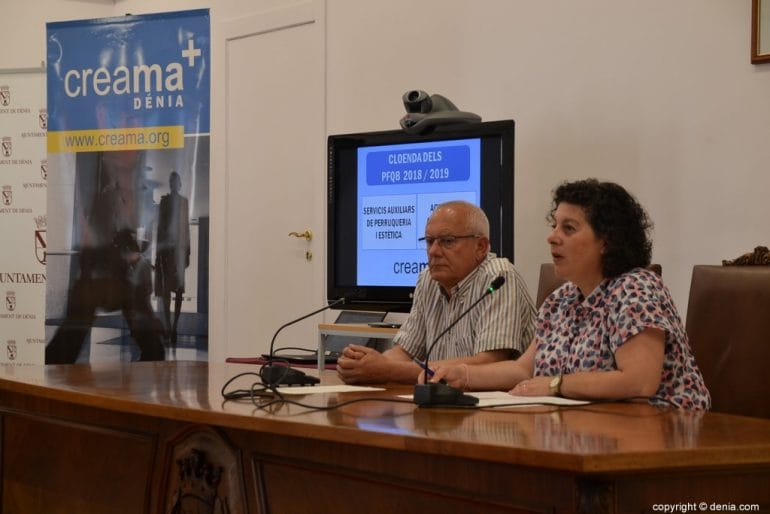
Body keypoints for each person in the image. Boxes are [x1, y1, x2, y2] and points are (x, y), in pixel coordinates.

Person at [430, 180, 710, 410]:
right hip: (586, 430)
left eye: (568, 228)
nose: (552, 237)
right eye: (554, 225)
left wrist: (556, 384)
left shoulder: (636, 289)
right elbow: (523, 370)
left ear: (606, 241)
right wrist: (463, 375)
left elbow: (639, 382)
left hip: (662, 433)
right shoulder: (560, 299)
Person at [337, 200, 536, 384]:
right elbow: (405, 351)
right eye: (429, 241)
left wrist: (388, 370)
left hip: (504, 402)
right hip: (445, 398)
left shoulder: (498, 277)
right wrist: (366, 364)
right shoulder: (428, 279)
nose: (433, 251)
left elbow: (489, 362)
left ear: (480, 247)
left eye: (447, 241)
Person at [155, 171, 191, 349]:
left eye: (175, 181)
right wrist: (158, 252)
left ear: (179, 183)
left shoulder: (184, 202)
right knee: (166, 292)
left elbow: (186, 228)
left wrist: (188, 252)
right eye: (171, 181)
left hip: (179, 252)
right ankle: (168, 327)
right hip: (167, 252)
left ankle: (174, 327)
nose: (173, 184)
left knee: (179, 291)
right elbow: (160, 227)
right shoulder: (165, 201)